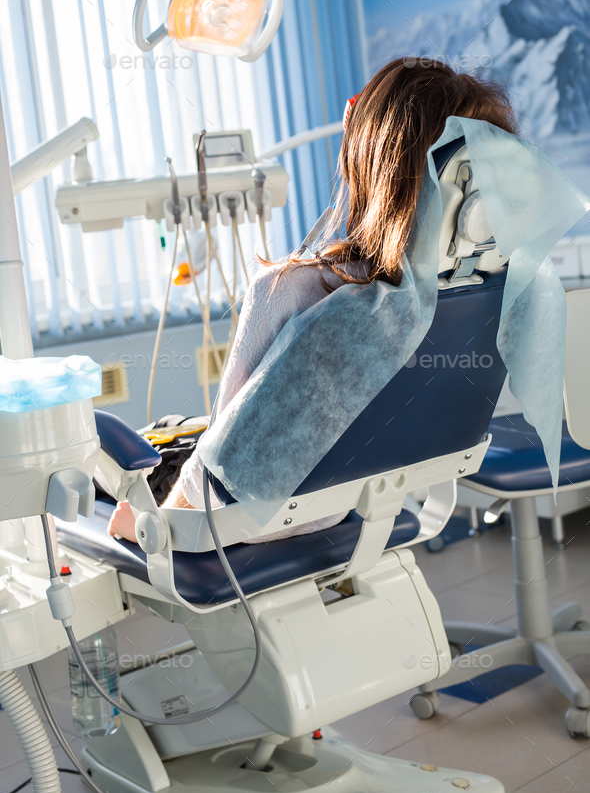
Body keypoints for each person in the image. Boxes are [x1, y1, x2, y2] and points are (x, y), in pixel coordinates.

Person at [108, 57, 516, 544]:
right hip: (360, 510)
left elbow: (214, 483)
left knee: (123, 450)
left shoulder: (297, 291)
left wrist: (148, 526)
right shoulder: (491, 293)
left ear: (372, 168)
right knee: (179, 432)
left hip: (243, 525)